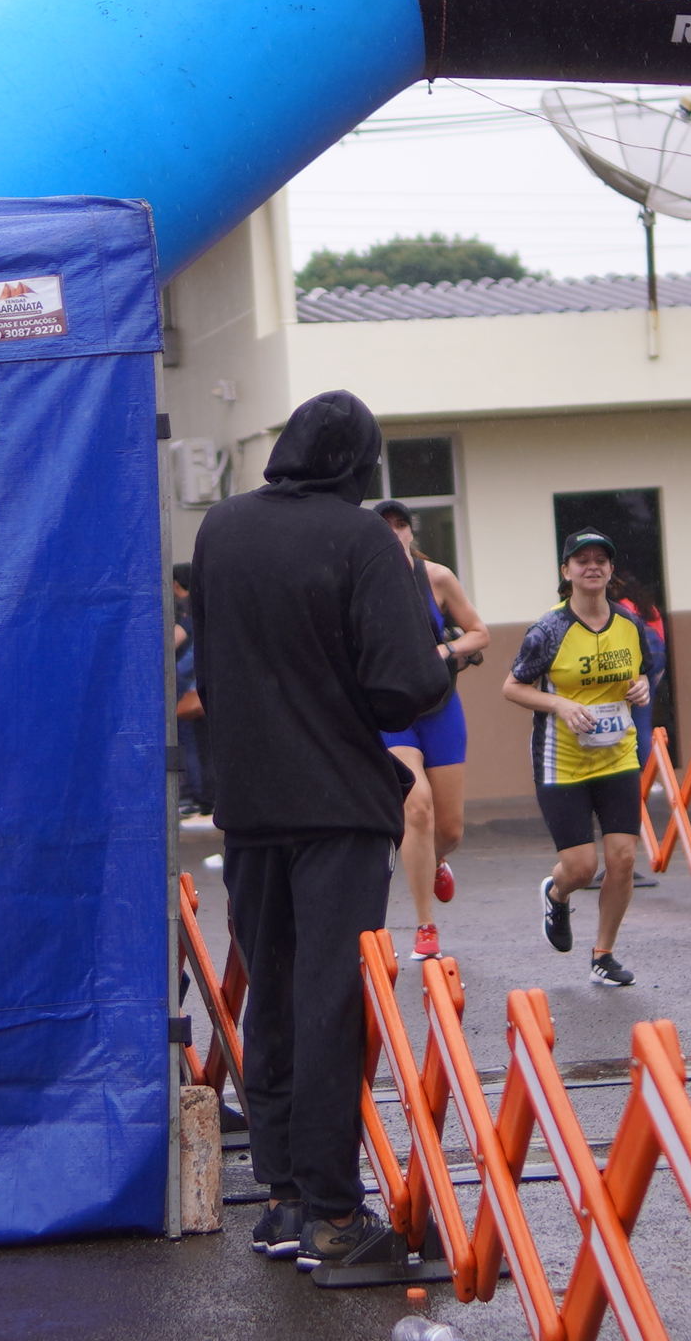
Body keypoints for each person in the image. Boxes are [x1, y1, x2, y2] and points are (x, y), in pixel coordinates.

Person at [191, 390, 450, 1273]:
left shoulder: (221, 529)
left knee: (273, 995)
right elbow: (403, 686)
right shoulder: (362, 538)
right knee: (330, 1002)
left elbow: (210, 664)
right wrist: (443, 661)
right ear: (357, 465)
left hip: (250, 803)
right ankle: (337, 1216)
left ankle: (285, 1201)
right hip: (337, 804)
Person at [504, 530, 665, 988]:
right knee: (581, 869)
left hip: (618, 757)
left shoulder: (630, 624)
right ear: (567, 571)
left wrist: (640, 688)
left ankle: (604, 954)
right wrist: (560, 704)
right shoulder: (548, 630)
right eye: (582, 560)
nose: (592, 566)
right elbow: (512, 687)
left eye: (600, 560)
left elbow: (644, 675)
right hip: (563, 761)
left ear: (611, 571)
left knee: (623, 858)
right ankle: (556, 893)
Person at [373, 501, 492, 962]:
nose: (394, 532)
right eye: (384, 526)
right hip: (393, 715)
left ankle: (438, 859)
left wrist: (446, 651)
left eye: (401, 524)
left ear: (411, 532)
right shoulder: (361, 582)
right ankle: (425, 926)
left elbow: (479, 633)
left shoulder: (437, 577)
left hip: (440, 709)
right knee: (416, 806)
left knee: (450, 829)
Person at [171, 562, 208, 819]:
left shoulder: (185, 609)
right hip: (197, 683)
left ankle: (191, 795)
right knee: (195, 744)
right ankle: (198, 794)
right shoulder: (202, 604)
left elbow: (176, 641)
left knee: (185, 742)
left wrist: (179, 673)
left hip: (185, 686)